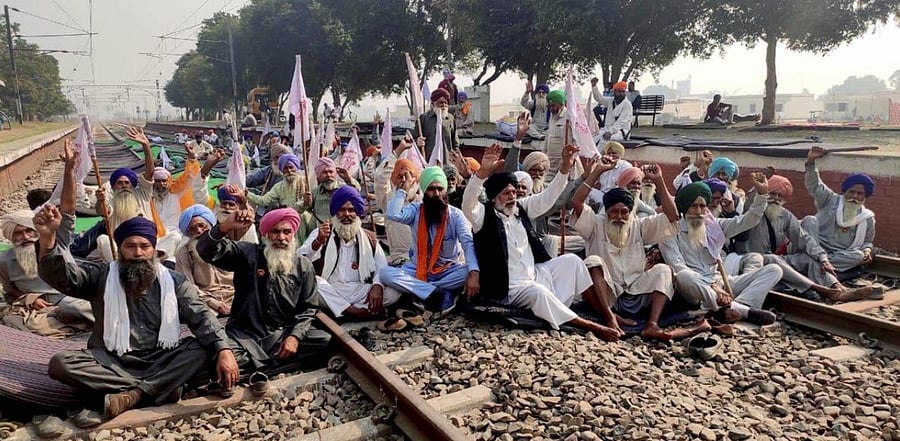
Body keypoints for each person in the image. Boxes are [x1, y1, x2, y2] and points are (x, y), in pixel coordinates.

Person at [36, 213, 237, 422]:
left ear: (154, 249)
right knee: (61, 364)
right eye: (130, 246)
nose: (138, 252)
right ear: (120, 249)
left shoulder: (174, 281)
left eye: (144, 246)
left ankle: (132, 396)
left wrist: (224, 349)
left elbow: (201, 315)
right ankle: (162, 388)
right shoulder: (101, 275)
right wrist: (48, 239)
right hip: (112, 359)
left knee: (203, 349)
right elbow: (62, 277)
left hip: (161, 356)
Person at [462, 144, 612, 335]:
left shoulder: (520, 208)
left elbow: (548, 198)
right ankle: (590, 326)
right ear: (494, 198)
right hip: (509, 287)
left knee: (573, 261)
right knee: (539, 293)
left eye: (514, 192)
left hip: (535, 274)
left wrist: (565, 167)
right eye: (506, 193)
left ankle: (605, 314)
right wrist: (481, 173)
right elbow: (468, 204)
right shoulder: (483, 215)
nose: (512, 197)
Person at [573, 165, 709, 341]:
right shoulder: (595, 223)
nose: (619, 217)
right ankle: (609, 318)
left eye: (624, 212)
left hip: (637, 293)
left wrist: (659, 180)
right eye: (614, 212)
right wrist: (597, 171)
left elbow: (672, 216)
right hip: (607, 295)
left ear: (630, 213)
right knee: (592, 261)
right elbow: (577, 202)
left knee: (664, 270)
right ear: (606, 213)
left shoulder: (639, 225)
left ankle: (652, 325)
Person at [196, 207, 331, 373]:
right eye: (275, 231)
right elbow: (205, 250)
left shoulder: (303, 265)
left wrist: (294, 337)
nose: (281, 238)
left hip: (280, 334)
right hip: (244, 336)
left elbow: (308, 308)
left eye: (286, 232)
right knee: (221, 353)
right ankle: (276, 364)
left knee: (324, 340)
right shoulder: (248, 254)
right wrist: (226, 226)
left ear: (293, 235)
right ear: (266, 234)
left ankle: (259, 364)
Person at [733, 175, 872, 302]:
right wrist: (760, 187)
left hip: (774, 259)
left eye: (779, 195)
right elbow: (750, 203)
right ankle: (820, 289)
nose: (775, 198)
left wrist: (823, 259)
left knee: (809, 258)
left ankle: (839, 288)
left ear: (785, 199)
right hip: (750, 260)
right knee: (773, 259)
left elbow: (804, 238)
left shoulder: (785, 215)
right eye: (772, 193)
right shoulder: (753, 213)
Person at [659, 180, 781, 325]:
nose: (699, 211)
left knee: (774, 270)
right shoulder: (669, 232)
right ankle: (738, 309)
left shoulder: (714, 226)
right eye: (694, 206)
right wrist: (712, 287)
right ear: (685, 207)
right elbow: (677, 266)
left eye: (702, 206)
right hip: (695, 289)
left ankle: (738, 308)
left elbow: (747, 221)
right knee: (683, 276)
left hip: (720, 283)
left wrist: (761, 194)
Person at [379, 166, 479, 314]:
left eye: (440, 188)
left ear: (445, 190)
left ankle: (420, 292)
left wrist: (474, 272)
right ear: (424, 191)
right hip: (417, 268)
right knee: (385, 273)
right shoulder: (415, 211)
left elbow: (467, 244)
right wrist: (402, 191)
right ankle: (439, 293)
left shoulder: (456, 215)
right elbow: (393, 214)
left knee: (471, 271)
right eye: (431, 189)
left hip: (448, 270)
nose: (437, 193)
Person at [95, 127, 205, 261]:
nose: (124, 186)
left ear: (133, 185)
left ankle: (150, 259)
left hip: (148, 247)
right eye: (119, 183)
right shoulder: (112, 199)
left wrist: (146, 146)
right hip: (123, 249)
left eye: (127, 183)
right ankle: (122, 265)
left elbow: (149, 171)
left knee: (176, 237)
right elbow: (103, 211)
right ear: (114, 186)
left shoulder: (143, 194)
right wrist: (100, 201)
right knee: (103, 240)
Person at [299, 186, 400, 319]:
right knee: (314, 282)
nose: (346, 214)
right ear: (335, 213)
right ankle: (356, 312)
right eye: (342, 210)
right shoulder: (322, 233)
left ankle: (343, 310)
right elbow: (299, 261)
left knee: (394, 291)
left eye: (351, 210)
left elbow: (382, 266)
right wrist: (317, 242)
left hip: (360, 289)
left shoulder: (369, 238)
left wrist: (377, 285)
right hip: (331, 289)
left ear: (357, 213)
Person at [1, 209, 94, 337]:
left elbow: (69, 214)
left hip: (71, 298)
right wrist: (32, 299)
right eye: (18, 233)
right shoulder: (4, 261)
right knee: (19, 323)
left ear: (38, 230)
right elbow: (9, 289)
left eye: (29, 230)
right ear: (10, 236)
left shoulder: (55, 247)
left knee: (72, 307)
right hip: (44, 310)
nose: (25, 237)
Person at [801, 146, 876, 273]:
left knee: (858, 256)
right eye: (851, 192)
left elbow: (867, 242)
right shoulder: (830, 199)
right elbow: (815, 185)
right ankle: (818, 263)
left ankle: (814, 264)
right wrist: (811, 162)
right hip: (815, 247)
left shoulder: (867, 218)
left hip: (839, 255)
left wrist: (867, 251)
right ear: (845, 191)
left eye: (860, 194)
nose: (855, 196)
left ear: (865, 196)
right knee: (809, 220)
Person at [175, 205, 235, 317]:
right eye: (192, 228)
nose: (198, 231)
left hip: (236, 296)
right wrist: (216, 304)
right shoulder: (183, 253)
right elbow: (188, 285)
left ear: (211, 225)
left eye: (202, 226)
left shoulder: (228, 245)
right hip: (207, 301)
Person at [374, 137, 421, 266]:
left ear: (415, 180)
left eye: (408, 176)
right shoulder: (388, 200)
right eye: (400, 177)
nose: (404, 180)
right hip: (400, 261)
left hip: (424, 262)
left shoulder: (424, 201)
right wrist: (398, 151)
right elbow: (380, 177)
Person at [306, 157, 361, 226]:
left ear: (335, 173)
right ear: (318, 176)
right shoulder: (315, 192)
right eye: (325, 172)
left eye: (331, 172)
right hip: (321, 228)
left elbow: (357, 191)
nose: (329, 175)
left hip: (341, 226)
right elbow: (300, 208)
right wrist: (305, 203)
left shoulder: (343, 188)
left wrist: (348, 179)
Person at [246, 142, 292, 222]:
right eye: (276, 157)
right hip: (266, 206)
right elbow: (251, 179)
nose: (279, 161)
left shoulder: (296, 176)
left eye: (281, 157)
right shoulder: (269, 170)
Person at [416, 89, 460, 162]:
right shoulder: (424, 118)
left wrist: (457, 157)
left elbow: (455, 143)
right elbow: (413, 139)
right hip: (428, 162)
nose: (443, 105)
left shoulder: (450, 119)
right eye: (440, 103)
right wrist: (417, 141)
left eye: (445, 103)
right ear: (433, 104)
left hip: (447, 163)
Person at [543, 89, 570, 176]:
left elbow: (577, 142)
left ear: (562, 104)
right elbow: (548, 138)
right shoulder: (552, 117)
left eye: (553, 106)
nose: (551, 109)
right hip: (550, 162)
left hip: (563, 163)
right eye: (550, 106)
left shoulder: (569, 118)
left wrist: (567, 160)